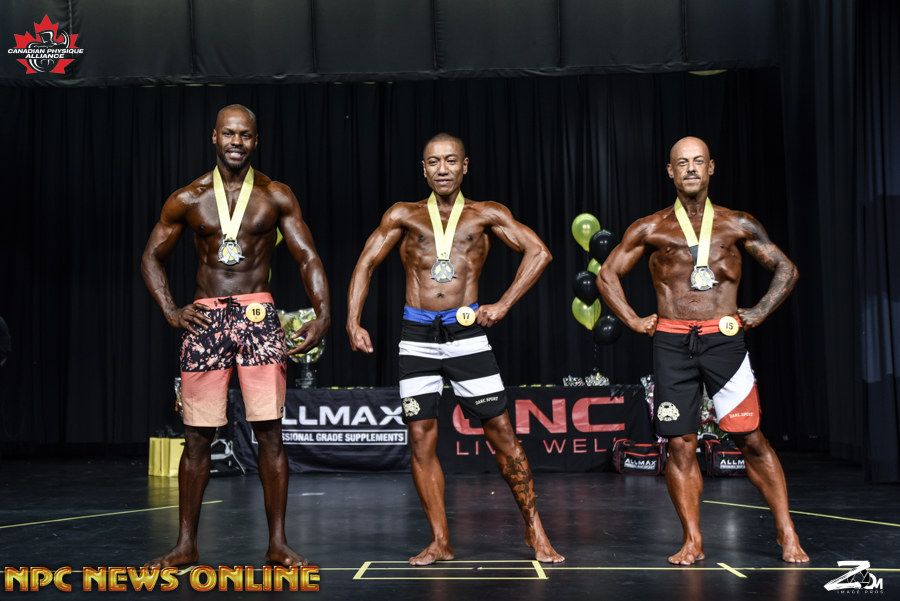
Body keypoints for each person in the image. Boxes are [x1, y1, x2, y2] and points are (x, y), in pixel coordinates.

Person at [346, 133, 564, 566]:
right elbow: (366, 263)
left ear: (465, 166)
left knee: (501, 431)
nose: (442, 169)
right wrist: (353, 321)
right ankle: (440, 540)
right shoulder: (404, 214)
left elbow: (539, 252)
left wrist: (503, 304)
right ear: (423, 169)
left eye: (450, 161)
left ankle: (535, 530)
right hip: (417, 335)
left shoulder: (486, 214)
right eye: (433, 162)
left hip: (466, 335)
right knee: (421, 437)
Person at [598, 136, 809, 565]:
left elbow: (786, 268)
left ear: (711, 168)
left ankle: (787, 531)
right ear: (670, 171)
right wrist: (634, 320)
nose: (691, 169)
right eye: (682, 163)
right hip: (672, 343)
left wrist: (760, 311)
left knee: (751, 438)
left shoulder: (737, 223)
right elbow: (606, 275)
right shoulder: (650, 228)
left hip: (724, 341)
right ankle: (692, 540)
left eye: (698, 161)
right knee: (680, 444)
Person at [141, 104, 330, 567]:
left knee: (270, 433)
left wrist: (323, 313)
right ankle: (186, 545)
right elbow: (151, 256)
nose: (236, 142)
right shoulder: (189, 198)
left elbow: (306, 256)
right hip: (206, 318)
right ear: (214, 137)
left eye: (245, 135)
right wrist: (171, 311)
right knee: (197, 437)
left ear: (255, 141)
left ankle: (278, 544)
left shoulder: (275, 195)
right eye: (229, 134)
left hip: (257, 315)